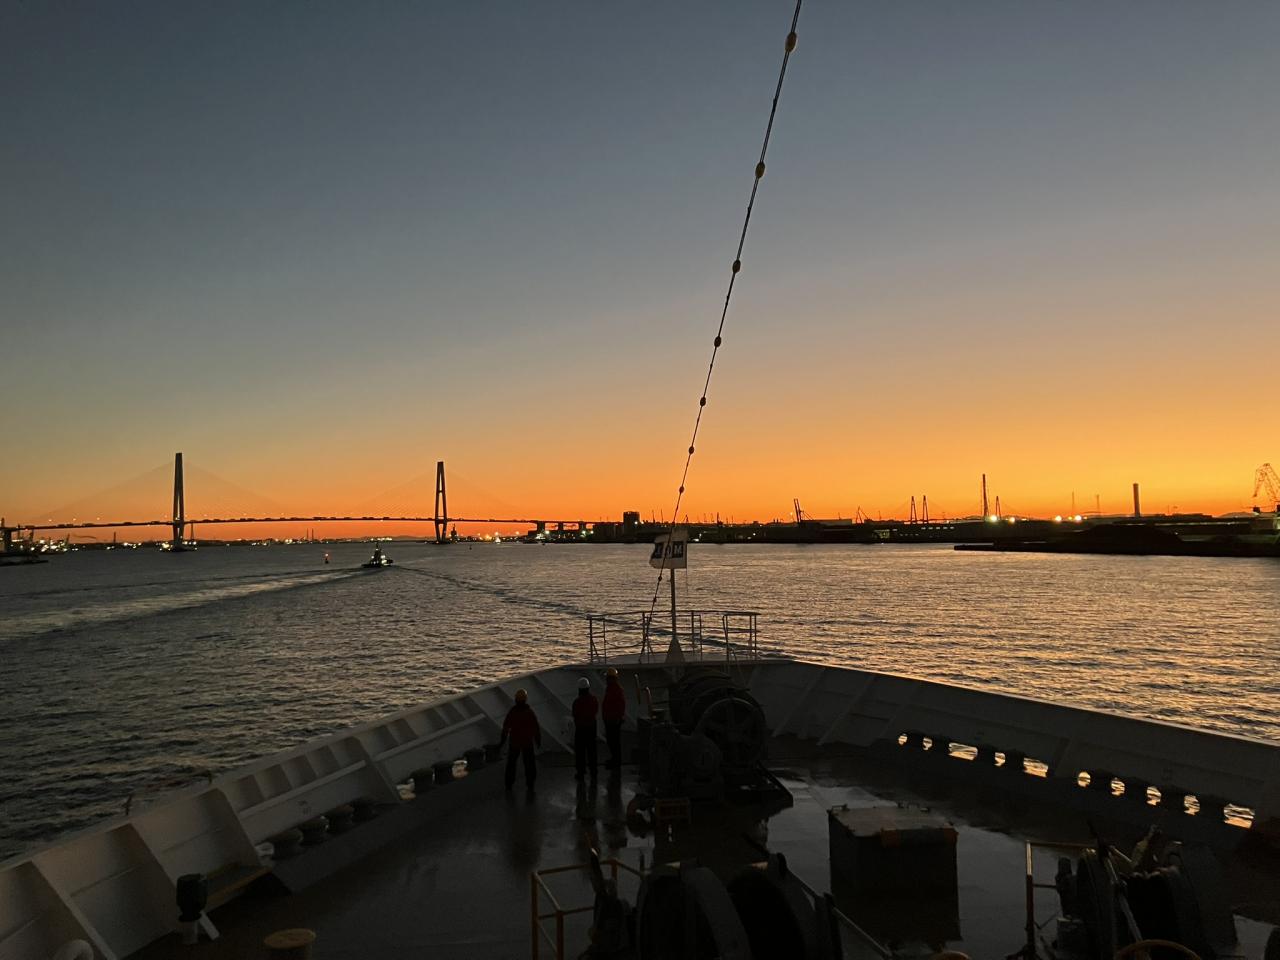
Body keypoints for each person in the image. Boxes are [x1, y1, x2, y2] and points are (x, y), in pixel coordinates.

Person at [500, 688, 541, 793]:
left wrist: (501, 743)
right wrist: (538, 741)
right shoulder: (529, 713)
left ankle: (509, 784)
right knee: (529, 764)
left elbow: (505, 728)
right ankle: (530, 783)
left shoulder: (512, 712)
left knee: (511, 764)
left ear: (516, 700)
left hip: (515, 742)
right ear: (525, 699)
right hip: (527, 742)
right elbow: (536, 728)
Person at [572, 676, 599, 782]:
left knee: (580, 752)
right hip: (591, 728)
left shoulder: (577, 702)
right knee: (592, 750)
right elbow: (595, 711)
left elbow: (575, 715)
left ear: (579, 689)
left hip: (580, 729)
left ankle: (581, 772)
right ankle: (593, 771)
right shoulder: (594, 699)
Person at [602, 668, 626, 769]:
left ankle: (616, 760)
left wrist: (618, 718)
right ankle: (615, 759)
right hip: (610, 719)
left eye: (607, 678)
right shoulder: (612, 689)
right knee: (612, 741)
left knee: (614, 741)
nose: (606, 680)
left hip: (613, 720)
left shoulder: (615, 690)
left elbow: (620, 705)